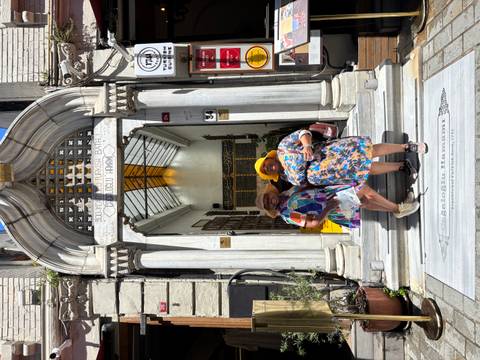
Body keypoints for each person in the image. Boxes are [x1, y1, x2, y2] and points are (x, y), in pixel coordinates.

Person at [255, 129, 428, 187]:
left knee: (368, 152)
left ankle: (406, 147)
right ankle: (401, 166)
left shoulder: (283, 148)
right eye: (266, 171)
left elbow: (303, 133)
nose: (268, 168)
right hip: (332, 173)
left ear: (268, 159)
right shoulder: (286, 177)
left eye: (266, 165)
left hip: (331, 154)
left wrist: (306, 145)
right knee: (365, 169)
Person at [256, 183, 419, 229]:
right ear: (270, 209)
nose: (270, 201)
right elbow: (313, 223)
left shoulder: (286, 195)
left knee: (365, 201)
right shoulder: (287, 214)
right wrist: (329, 207)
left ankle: (396, 209)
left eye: (267, 198)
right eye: (267, 204)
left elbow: (307, 189)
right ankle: (398, 208)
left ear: (270, 192)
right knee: (362, 190)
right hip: (332, 205)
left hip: (329, 194)